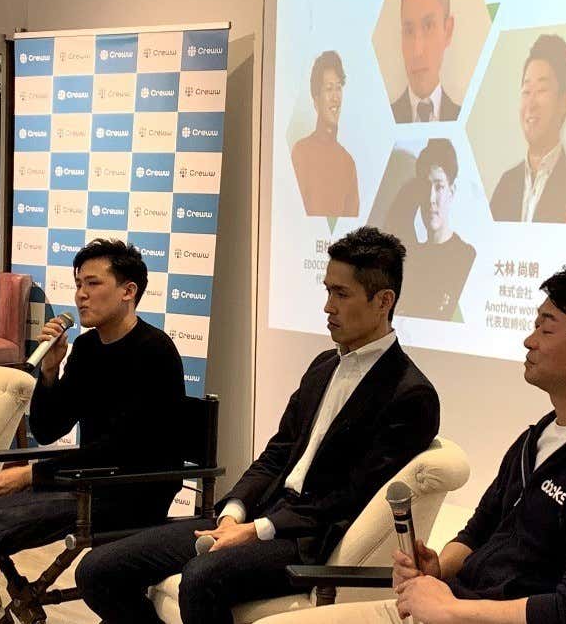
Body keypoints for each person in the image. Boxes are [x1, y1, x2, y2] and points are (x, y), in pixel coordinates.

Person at [255, 263, 566, 624]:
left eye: (547, 329)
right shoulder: (537, 438)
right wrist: (439, 568)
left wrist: (452, 609)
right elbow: (480, 529)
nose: (530, 340)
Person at [75, 226, 441, 624]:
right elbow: (276, 454)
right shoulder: (324, 365)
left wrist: (257, 530)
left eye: (341, 294)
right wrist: (234, 511)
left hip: (307, 540)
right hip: (259, 515)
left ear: (383, 301)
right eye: (327, 291)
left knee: (200, 578)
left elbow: (349, 498)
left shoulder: (410, 394)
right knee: (97, 570)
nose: (327, 307)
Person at [0, 239, 186, 624]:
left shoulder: (154, 352)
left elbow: (121, 449)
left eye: (93, 284)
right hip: (84, 481)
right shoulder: (88, 348)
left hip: (128, 491)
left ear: (128, 291)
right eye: (78, 284)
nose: (81, 295)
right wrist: (50, 371)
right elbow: (48, 427)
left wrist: (32, 475)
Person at [490, 34, 566, 223]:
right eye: (526, 91)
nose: (531, 104)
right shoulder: (505, 185)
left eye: (541, 90)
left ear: (564, 101)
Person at [397, 139, 476, 320]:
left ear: (452, 191)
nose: (430, 198)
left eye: (439, 187)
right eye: (425, 187)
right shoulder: (409, 258)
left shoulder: (467, 257)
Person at [391, 0, 459, 123]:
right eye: (409, 31)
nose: (417, 50)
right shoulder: (383, 119)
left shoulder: (464, 118)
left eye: (428, 26)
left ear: (448, 30)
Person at [292, 50, 359, 217]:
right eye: (329, 89)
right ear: (316, 100)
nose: (336, 97)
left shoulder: (348, 162)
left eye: (338, 88)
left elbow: (353, 224)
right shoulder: (301, 152)